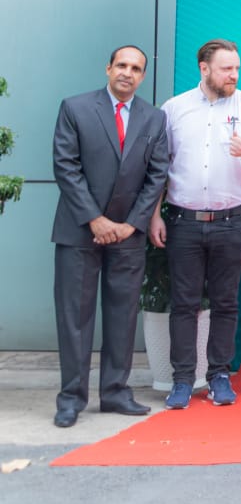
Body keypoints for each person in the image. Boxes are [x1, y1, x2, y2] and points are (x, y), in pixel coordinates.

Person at [50, 44, 170, 427]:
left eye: (135, 68)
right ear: (108, 68)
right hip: (79, 231)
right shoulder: (75, 108)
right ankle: (71, 398)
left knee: (122, 316)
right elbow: (65, 166)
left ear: (143, 76)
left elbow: (157, 175)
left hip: (128, 235)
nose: (127, 73)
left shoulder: (155, 119)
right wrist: (95, 220)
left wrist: (132, 224)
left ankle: (116, 393)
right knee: (75, 318)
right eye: (122, 65)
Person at [155, 38, 241, 409]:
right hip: (183, 221)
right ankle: (181, 380)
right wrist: (154, 215)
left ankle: (219, 376)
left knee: (225, 302)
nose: (234, 75)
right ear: (204, 68)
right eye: (226, 69)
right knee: (184, 303)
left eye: (237, 68)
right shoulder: (174, 109)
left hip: (230, 221)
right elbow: (160, 167)